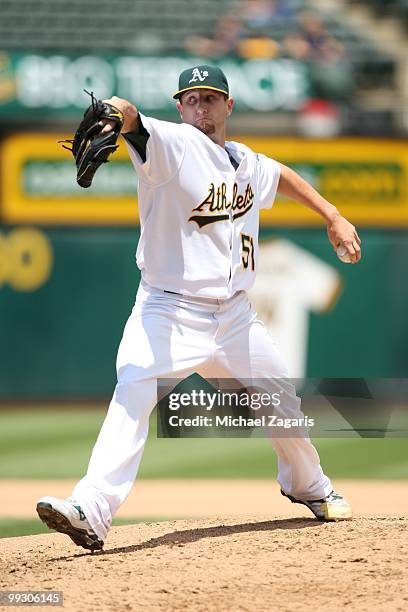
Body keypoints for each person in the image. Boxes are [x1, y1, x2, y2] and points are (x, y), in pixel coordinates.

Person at [36, 65, 361, 551]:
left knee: (282, 405)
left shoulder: (244, 159)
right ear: (179, 107)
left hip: (235, 317)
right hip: (168, 310)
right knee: (133, 392)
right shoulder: (171, 145)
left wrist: (332, 215)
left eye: (211, 99)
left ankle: (307, 485)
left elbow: (283, 177)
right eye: (192, 99)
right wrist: (112, 112)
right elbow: (131, 117)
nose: (201, 108)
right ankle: (91, 510)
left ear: (229, 106)